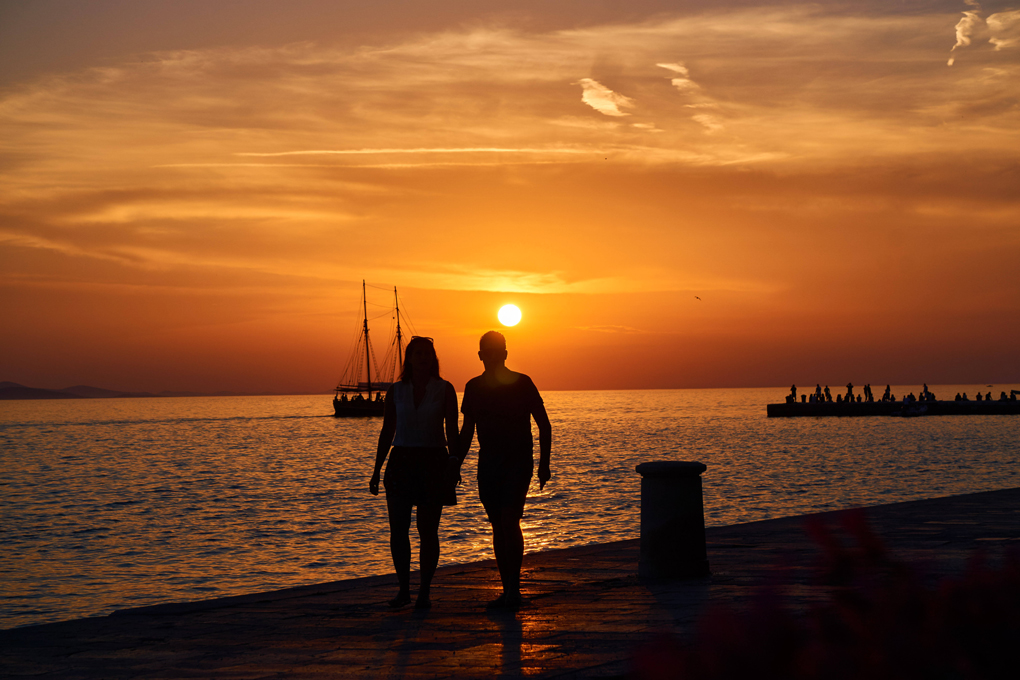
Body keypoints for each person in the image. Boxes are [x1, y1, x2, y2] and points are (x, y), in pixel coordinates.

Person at [458, 331, 551, 611]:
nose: (493, 355)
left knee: (510, 519)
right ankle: (506, 586)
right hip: (488, 465)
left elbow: (543, 425)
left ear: (506, 354)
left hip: (518, 463)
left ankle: (514, 589)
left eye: (498, 350)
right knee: (498, 525)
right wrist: (455, 463)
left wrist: (544, 464)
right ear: (480, 355)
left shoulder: (522, 383)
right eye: (488, 350)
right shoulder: (473, 387)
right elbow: (466, 431)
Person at [369, 336, 460, 610]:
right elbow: (388, 431)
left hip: (434, 460)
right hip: (401, 460)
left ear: (434, 359)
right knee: (398, 529)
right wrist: (376, 470)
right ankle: (404, 589)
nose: (423, 357)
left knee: (428, 530)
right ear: (408, 358)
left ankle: (424, 592)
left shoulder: (444, 389)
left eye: (427, 353)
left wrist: (454, 463)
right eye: (417, 353)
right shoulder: (396, 390)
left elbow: (453, 430)